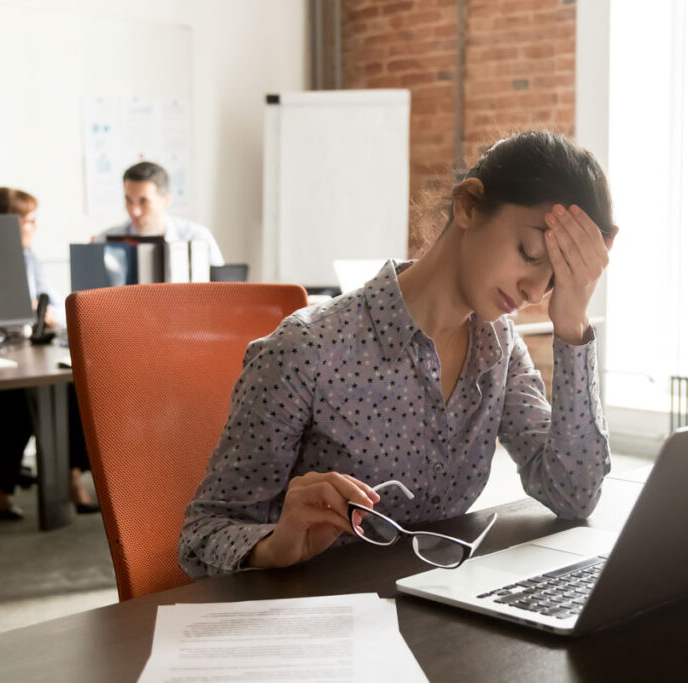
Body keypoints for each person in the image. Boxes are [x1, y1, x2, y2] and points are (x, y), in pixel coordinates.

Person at [179, 132, 618, 578]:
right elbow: (203, 536)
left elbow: (573, 495)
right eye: (529, 254)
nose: (532, 292)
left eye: (552, 282)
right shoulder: (305, 351)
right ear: (468, 206)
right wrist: (274, 547)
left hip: (434, 615)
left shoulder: (498, 347)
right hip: (316, 621)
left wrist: (573, 325)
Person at [0, 187, 99, 516]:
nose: (34, 227)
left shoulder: (28, 256)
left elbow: (54, 302)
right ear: (6, 224)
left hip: (20, 352)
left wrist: (39, 310)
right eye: (28, 221)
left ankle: (70, 475)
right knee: (21, 400)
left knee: (71, 387)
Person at [97, 161, 225, 267]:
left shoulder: (196, 237)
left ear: (165, 200)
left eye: (144, 201)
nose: (135, 211)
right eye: (129, 200)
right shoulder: (104, 241)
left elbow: (222, 292)